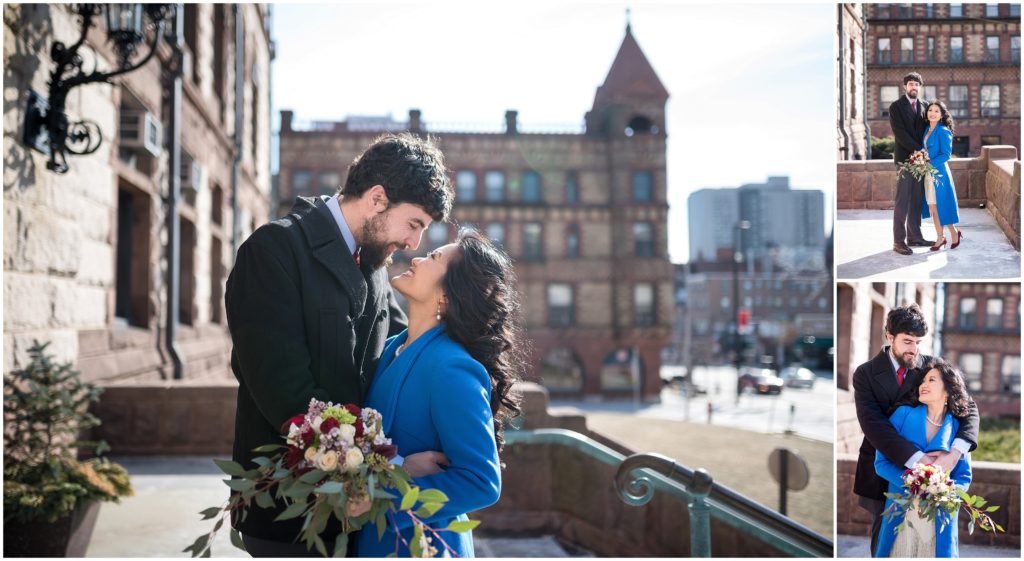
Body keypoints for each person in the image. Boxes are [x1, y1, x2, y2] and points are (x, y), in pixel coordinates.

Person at [225, 133, 454, 557]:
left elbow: (411, 354)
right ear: (377, 198)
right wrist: (396, 468)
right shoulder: (273, 250)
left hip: (356, 518)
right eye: (414, 224)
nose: (413, 244)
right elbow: (289, 400)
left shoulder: (375, 265)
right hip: (287, 515)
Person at [357, 231, 524, 558]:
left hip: (422, 547)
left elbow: (480, 482)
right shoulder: (390, 349)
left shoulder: (453, 368)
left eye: (433, 258)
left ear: (447, 295)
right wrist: (400, 469)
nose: (417, 257)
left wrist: (383, 502)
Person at [851, 304, 978, 557]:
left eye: (918, 342)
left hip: (939, 474)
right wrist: (919, 463)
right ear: (889, 337)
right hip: (882, 468)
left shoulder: (930, 367)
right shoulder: (865, 374)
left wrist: (954, 454)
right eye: (908, 341)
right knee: (885, 541)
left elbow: (968, 407)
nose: (914, 349)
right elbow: (873, 425)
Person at [874, 359, 973, 557]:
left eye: (932, 380)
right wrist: (915, 483)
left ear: (948, 390)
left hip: (939, 518)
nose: (923, 385)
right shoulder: (902, 415)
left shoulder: (957, 428)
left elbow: (963, 477)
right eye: (923, 381)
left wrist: (943, 492)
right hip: (902, 515)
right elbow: (881, 463)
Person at [889, 72, 931, 255]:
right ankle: (898, 241)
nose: (914, 87)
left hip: (920, 160)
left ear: (920, 87)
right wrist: (918, 150)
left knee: (915, 200)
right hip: (905, 160)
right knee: (902, 201)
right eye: (911, 84)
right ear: (905, 86)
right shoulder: (896, 107)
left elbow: (930, 130)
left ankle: (915, 237)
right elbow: (900, 133)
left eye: (917, 84)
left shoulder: (925, 106)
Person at [920, 101, 963, 251]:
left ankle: (953, 232)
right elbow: (924, 149)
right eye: (930, 110)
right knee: (933, 206)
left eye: (936, 111)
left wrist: (928, 165)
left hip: (939, 174)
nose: (932, 113)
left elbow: (946, 155)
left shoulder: (944, 131)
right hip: (927, 174)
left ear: (942, 115)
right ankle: (940, 237)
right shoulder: (926, 129)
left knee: (942, 206)